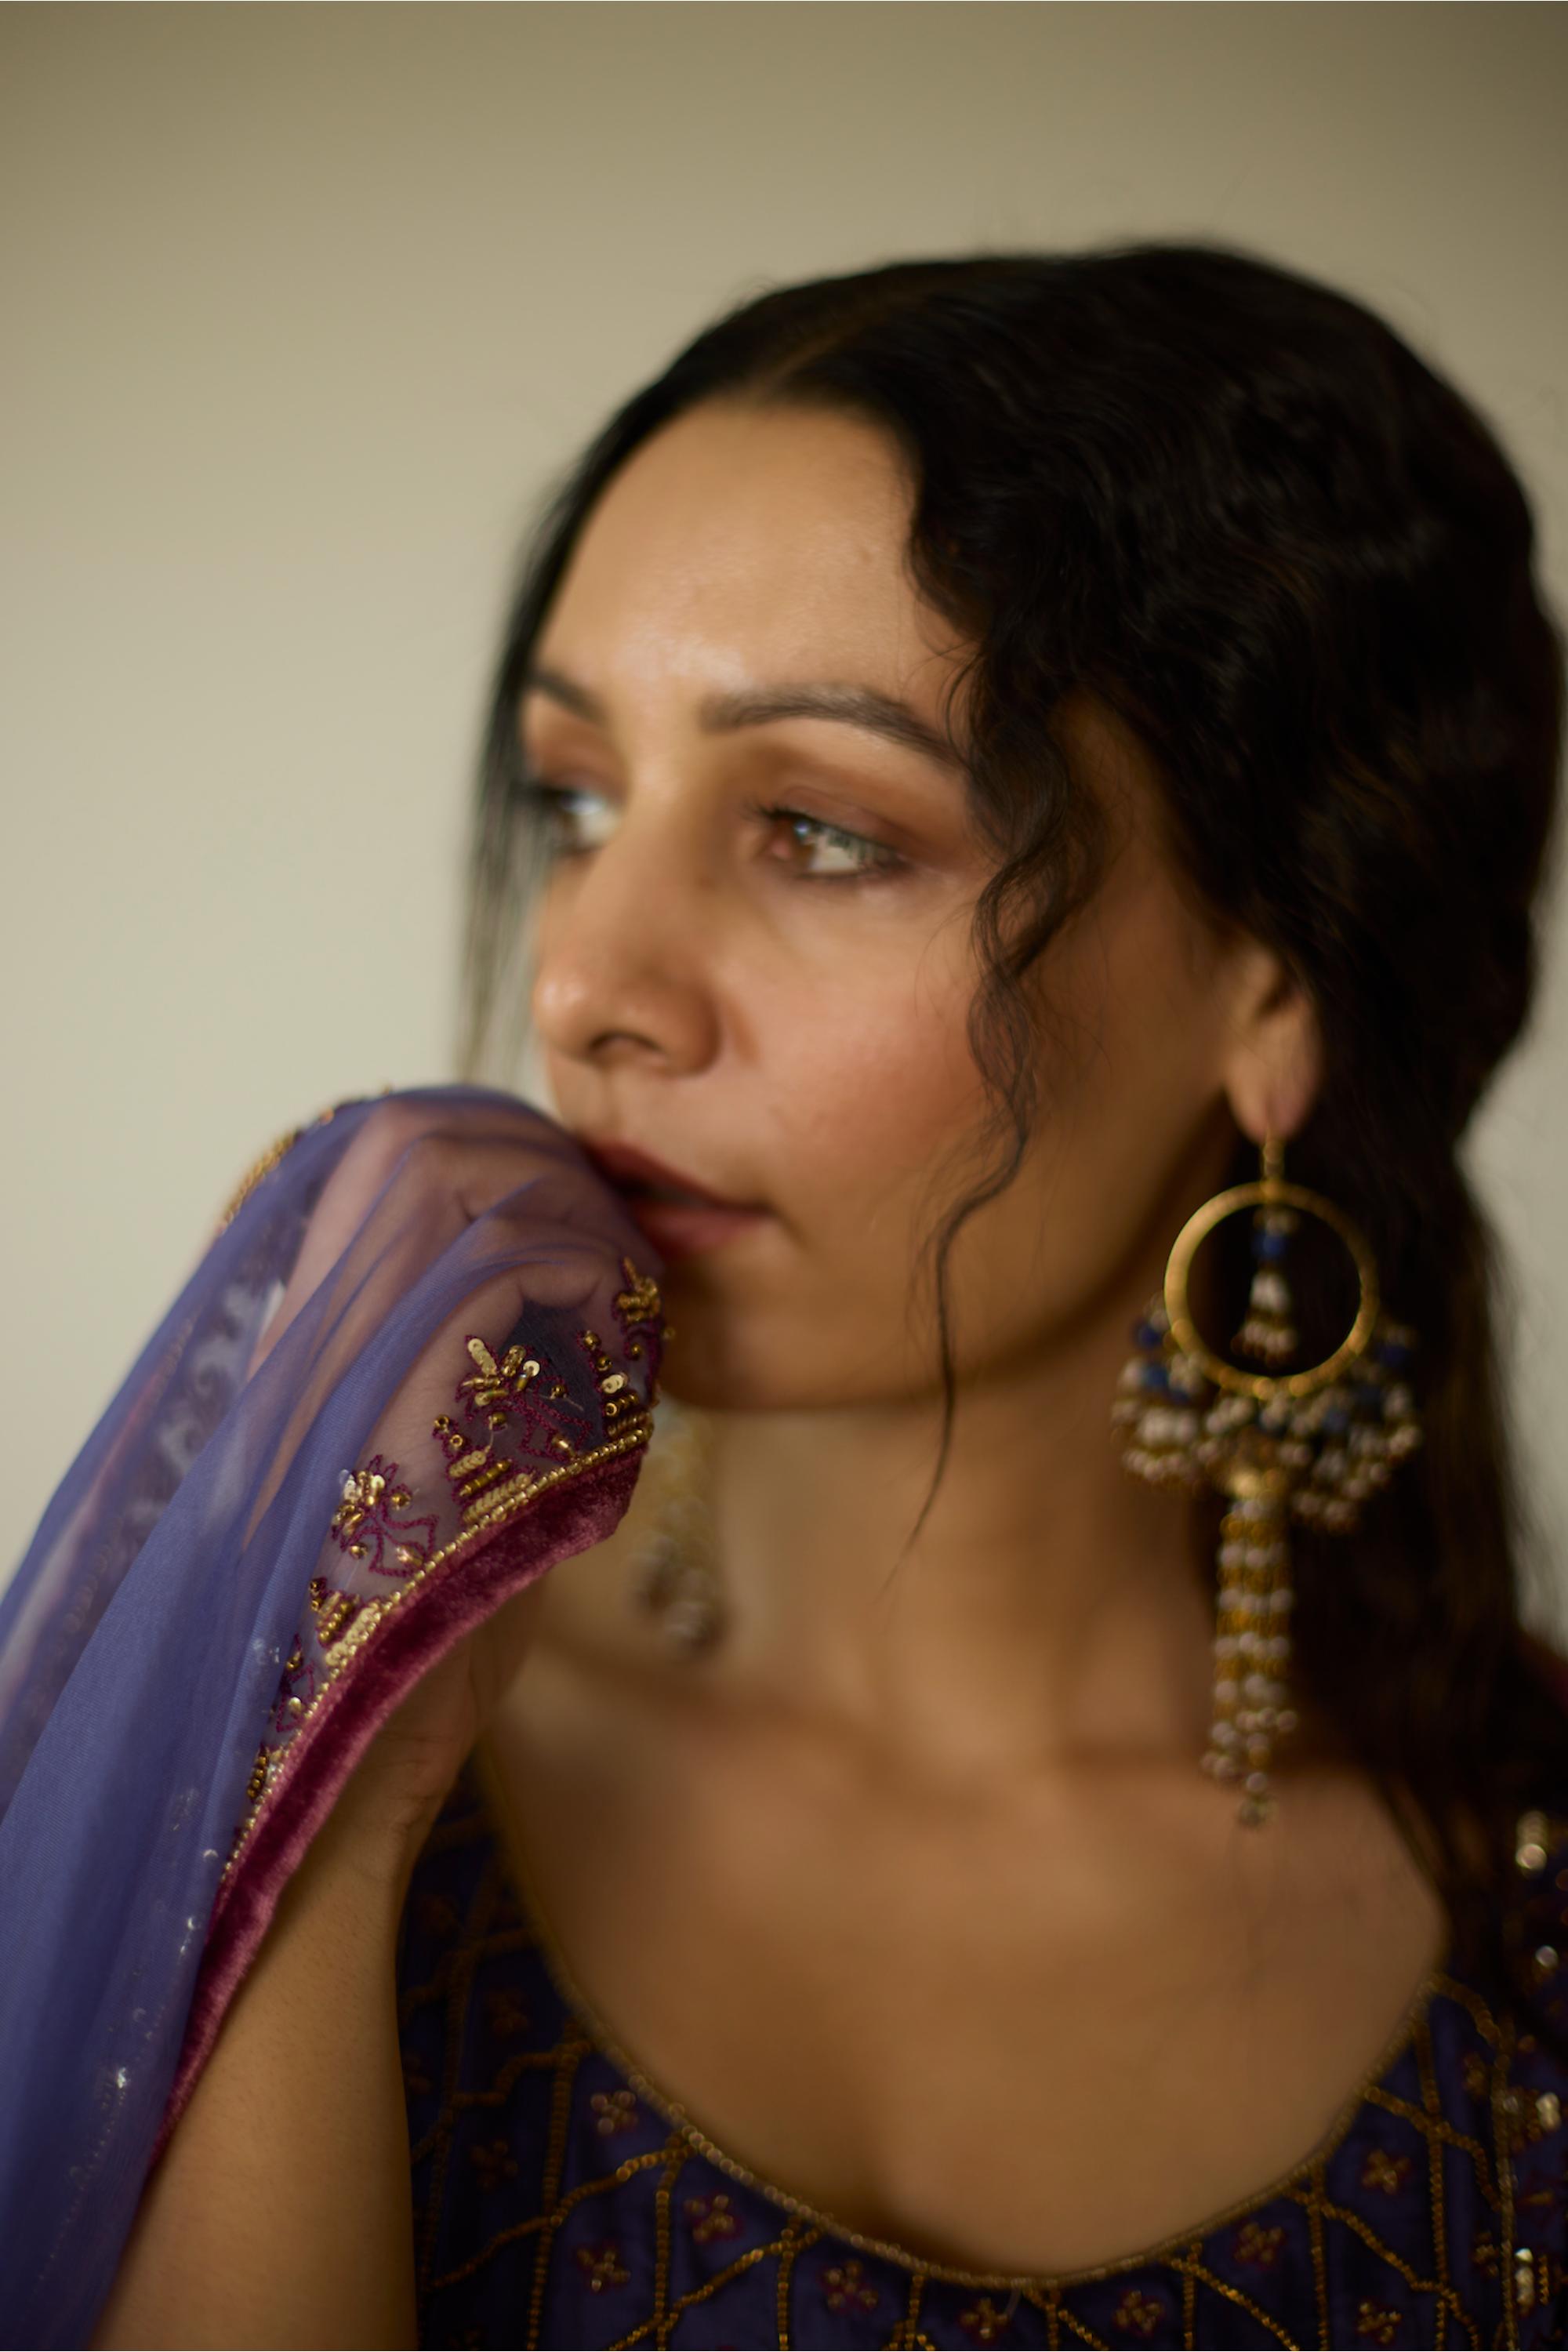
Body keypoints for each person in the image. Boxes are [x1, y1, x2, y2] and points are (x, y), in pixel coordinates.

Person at [4, 242, 1566, 2350]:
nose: (589, 984)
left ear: (1274, 988)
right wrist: (307, 1769)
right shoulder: (348, 1760)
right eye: (578, 802)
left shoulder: (1523, 1918)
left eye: (823, 831)